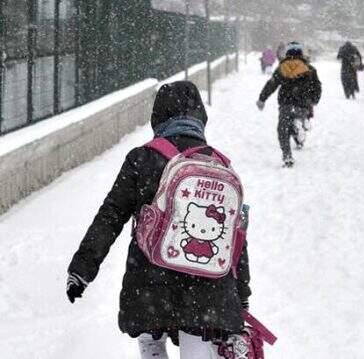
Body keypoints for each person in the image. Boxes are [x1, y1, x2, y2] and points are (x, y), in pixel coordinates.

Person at [66, 81, 251, 359]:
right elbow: (234, 236)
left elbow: (111, 215)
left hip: (150, 279)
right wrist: (241, 292)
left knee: (151, 338)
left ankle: (153, 345)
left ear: (158, 117)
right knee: (197, 340)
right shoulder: (219, 164)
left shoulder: (142, 158)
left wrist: (82, 269)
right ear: (200, 117)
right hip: (207, 284)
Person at [257, 42, 322, 167]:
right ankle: (301, 126)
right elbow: (317, 87)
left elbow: (271, 84)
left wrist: (262, 99)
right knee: (298, 120)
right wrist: (314, 100)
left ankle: (287, 156)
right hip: (303, 104)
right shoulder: (310, 69)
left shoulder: (282, 68)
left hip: (286, 104)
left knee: (283, 130)